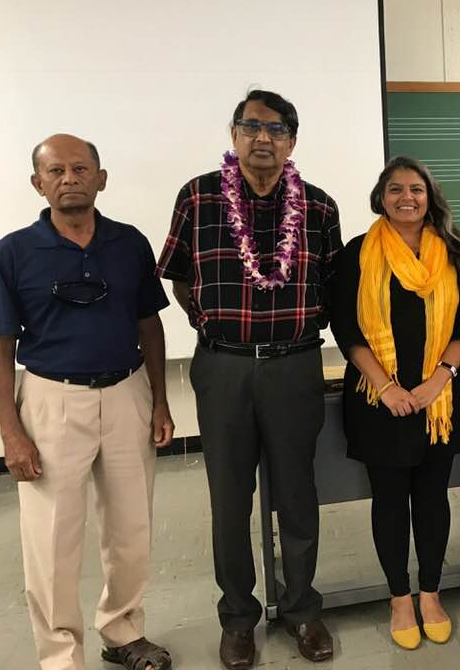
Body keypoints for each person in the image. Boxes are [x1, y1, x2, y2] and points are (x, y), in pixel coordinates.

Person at [156, 90, 341, 667]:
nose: (264, 138)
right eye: (251, 126)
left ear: (293, 140)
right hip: (225, 366)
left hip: (295, 365)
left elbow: (332, 288)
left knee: (297, 495)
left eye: (277, 128)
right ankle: (238, 617)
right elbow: (180, 278)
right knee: (230, 500)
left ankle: (301, 609)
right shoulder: (199, 196)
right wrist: (216, 326)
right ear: (233, 135)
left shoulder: (318, 206)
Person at [0, 134, 174, 670]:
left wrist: (159, 401)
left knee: (131, 528)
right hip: (50, 400)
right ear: (37, 183)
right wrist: (10, 432)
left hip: (127, 392)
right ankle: (61, 655)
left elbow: (148, 324)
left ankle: (123, 632)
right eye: (57, 171)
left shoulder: (129, 243)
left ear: (101, 177)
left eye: (81, 168)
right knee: (51, 540)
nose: (70, 178)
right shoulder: (11, 253)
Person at [331, 156, 460, 649]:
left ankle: (431, 593)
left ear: (429, 196)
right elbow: (347, 329)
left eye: (416, 189)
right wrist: (387, 387)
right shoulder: (357, 253)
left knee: (433, 499)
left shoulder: (454, 253)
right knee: (391, 501)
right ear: (382, 196)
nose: (406, 198)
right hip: (380, 401)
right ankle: (399, 597)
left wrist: (440, 379)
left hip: (438, 401)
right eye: (395, 189)